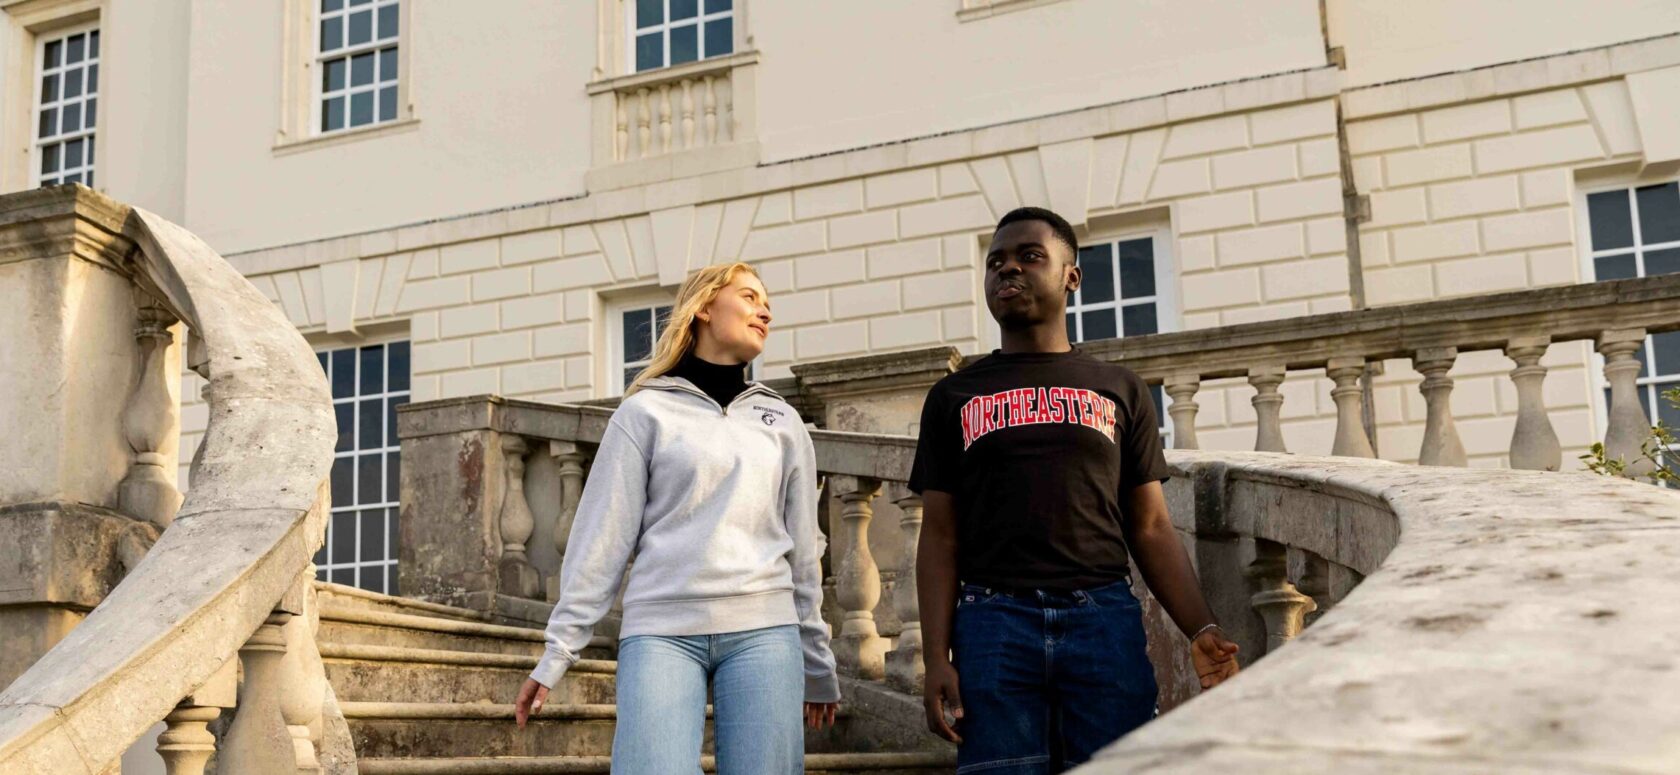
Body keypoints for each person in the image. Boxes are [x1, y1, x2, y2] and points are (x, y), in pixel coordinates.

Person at [910, 207, 1241, 773]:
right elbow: (939, 537)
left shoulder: (1118, 388)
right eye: (996, 262)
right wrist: (936, 657)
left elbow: (1151, 525)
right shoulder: (953, 397)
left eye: (1029, 256)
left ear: (1071, 275)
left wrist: (1201, 627)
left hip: (1102, 620)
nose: (1007, 269)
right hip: (992, 624)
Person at [513, 262, 841, 774]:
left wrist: (817, 662)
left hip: (765, 630)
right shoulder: (645, 413)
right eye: (750, 296)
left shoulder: (781, 420)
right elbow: (601, 538)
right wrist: (558, 652)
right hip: (661, 631)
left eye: (766, 301)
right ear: (705, 307)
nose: (766, 310)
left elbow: (804, 548)